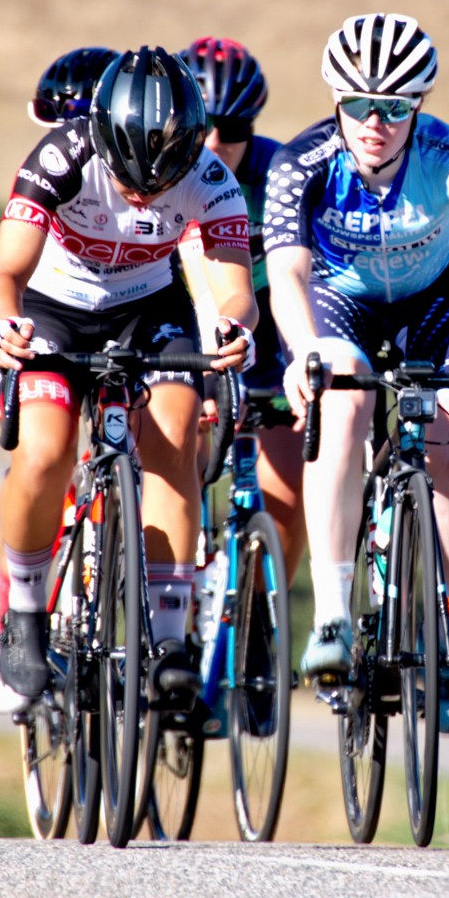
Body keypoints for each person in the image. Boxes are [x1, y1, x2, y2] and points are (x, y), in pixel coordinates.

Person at [265, 12, 449, 735]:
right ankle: (333, 615)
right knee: (343, 409)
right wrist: (304, 350)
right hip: (341, 304)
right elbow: (287, 271)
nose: (374, 122)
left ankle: (441, 634)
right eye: (357, 105)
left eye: (394, 107)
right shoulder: (301, 161)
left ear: (421, 105)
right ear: (335, 101)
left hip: (432, 301)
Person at [0, 46, 254, 717]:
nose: (144, 193)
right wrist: (5, 324)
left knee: (174, 429)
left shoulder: (212, 176)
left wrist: (233, 330)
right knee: (43, 453)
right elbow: (5, 276)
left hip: (146, 308)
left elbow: (233, 290)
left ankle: (166, 639)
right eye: (130, 181)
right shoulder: (58, 158)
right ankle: (22, 611)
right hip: (53, 308)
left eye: (161, 183)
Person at [179, 36, 308, 583]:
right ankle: (173, 614)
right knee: (176, 461)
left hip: (264, 334)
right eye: (203, 125)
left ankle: (260, 617)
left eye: (232, 130)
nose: (215, 142)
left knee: (285, 492)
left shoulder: (280, 172)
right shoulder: (163, 170)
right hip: (181, 324)